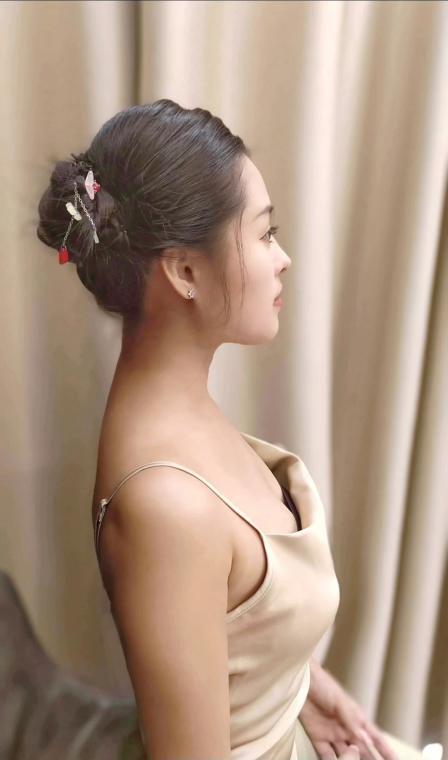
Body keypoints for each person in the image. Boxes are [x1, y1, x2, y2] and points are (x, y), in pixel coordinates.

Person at [36, 100, 420, 760]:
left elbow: (229, 616)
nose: (284, 259)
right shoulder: (165, 505)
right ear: (184, 271)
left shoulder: (177, 411)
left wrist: (298, 682)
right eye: (265, 234)